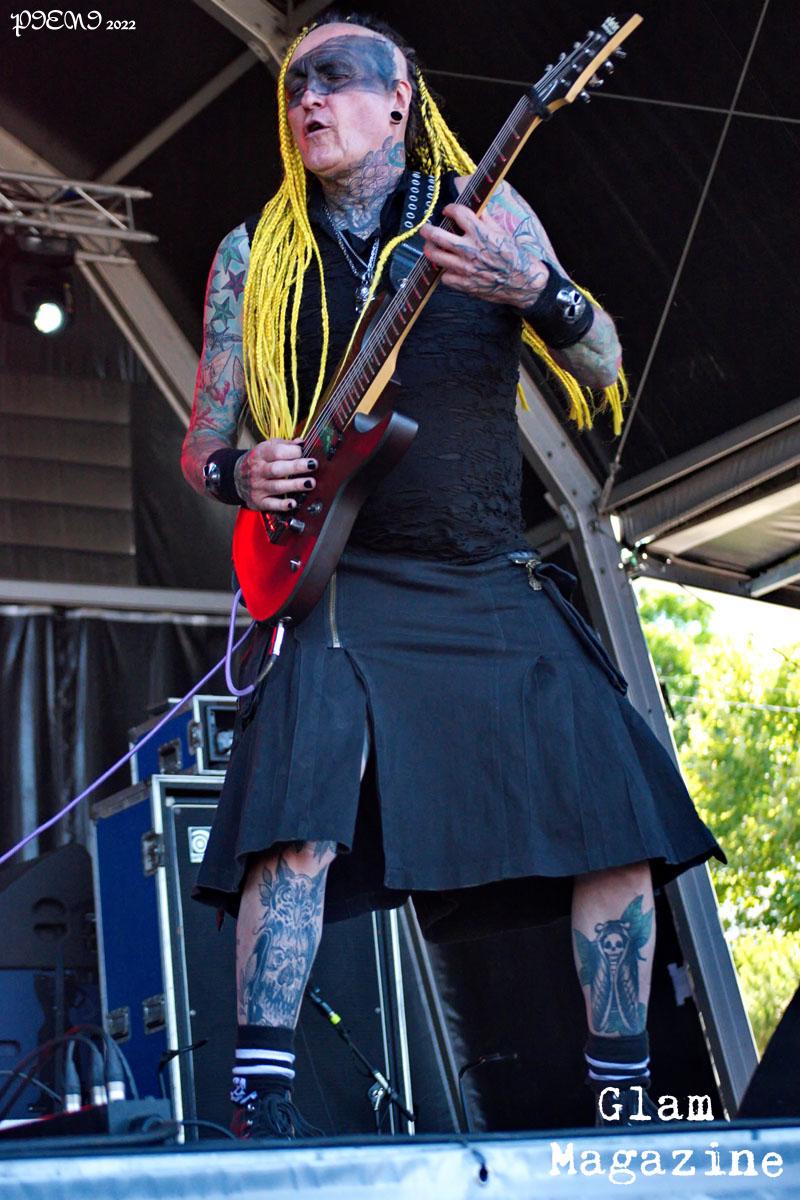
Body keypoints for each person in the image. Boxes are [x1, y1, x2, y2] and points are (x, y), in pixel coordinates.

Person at [181, 12, 724, 1138]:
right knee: (296, 827)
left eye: (335, 77)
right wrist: (241, 469)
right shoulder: (252, 255)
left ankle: (623, 1107)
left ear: (398, 100)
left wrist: (535, 291)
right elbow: (201, 443)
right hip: (346, 580)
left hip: (485, 570)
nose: (306, 99)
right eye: (294, 84)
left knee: (620, 821)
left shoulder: (488, 213)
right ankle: (257, 1109)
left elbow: (602, 361)